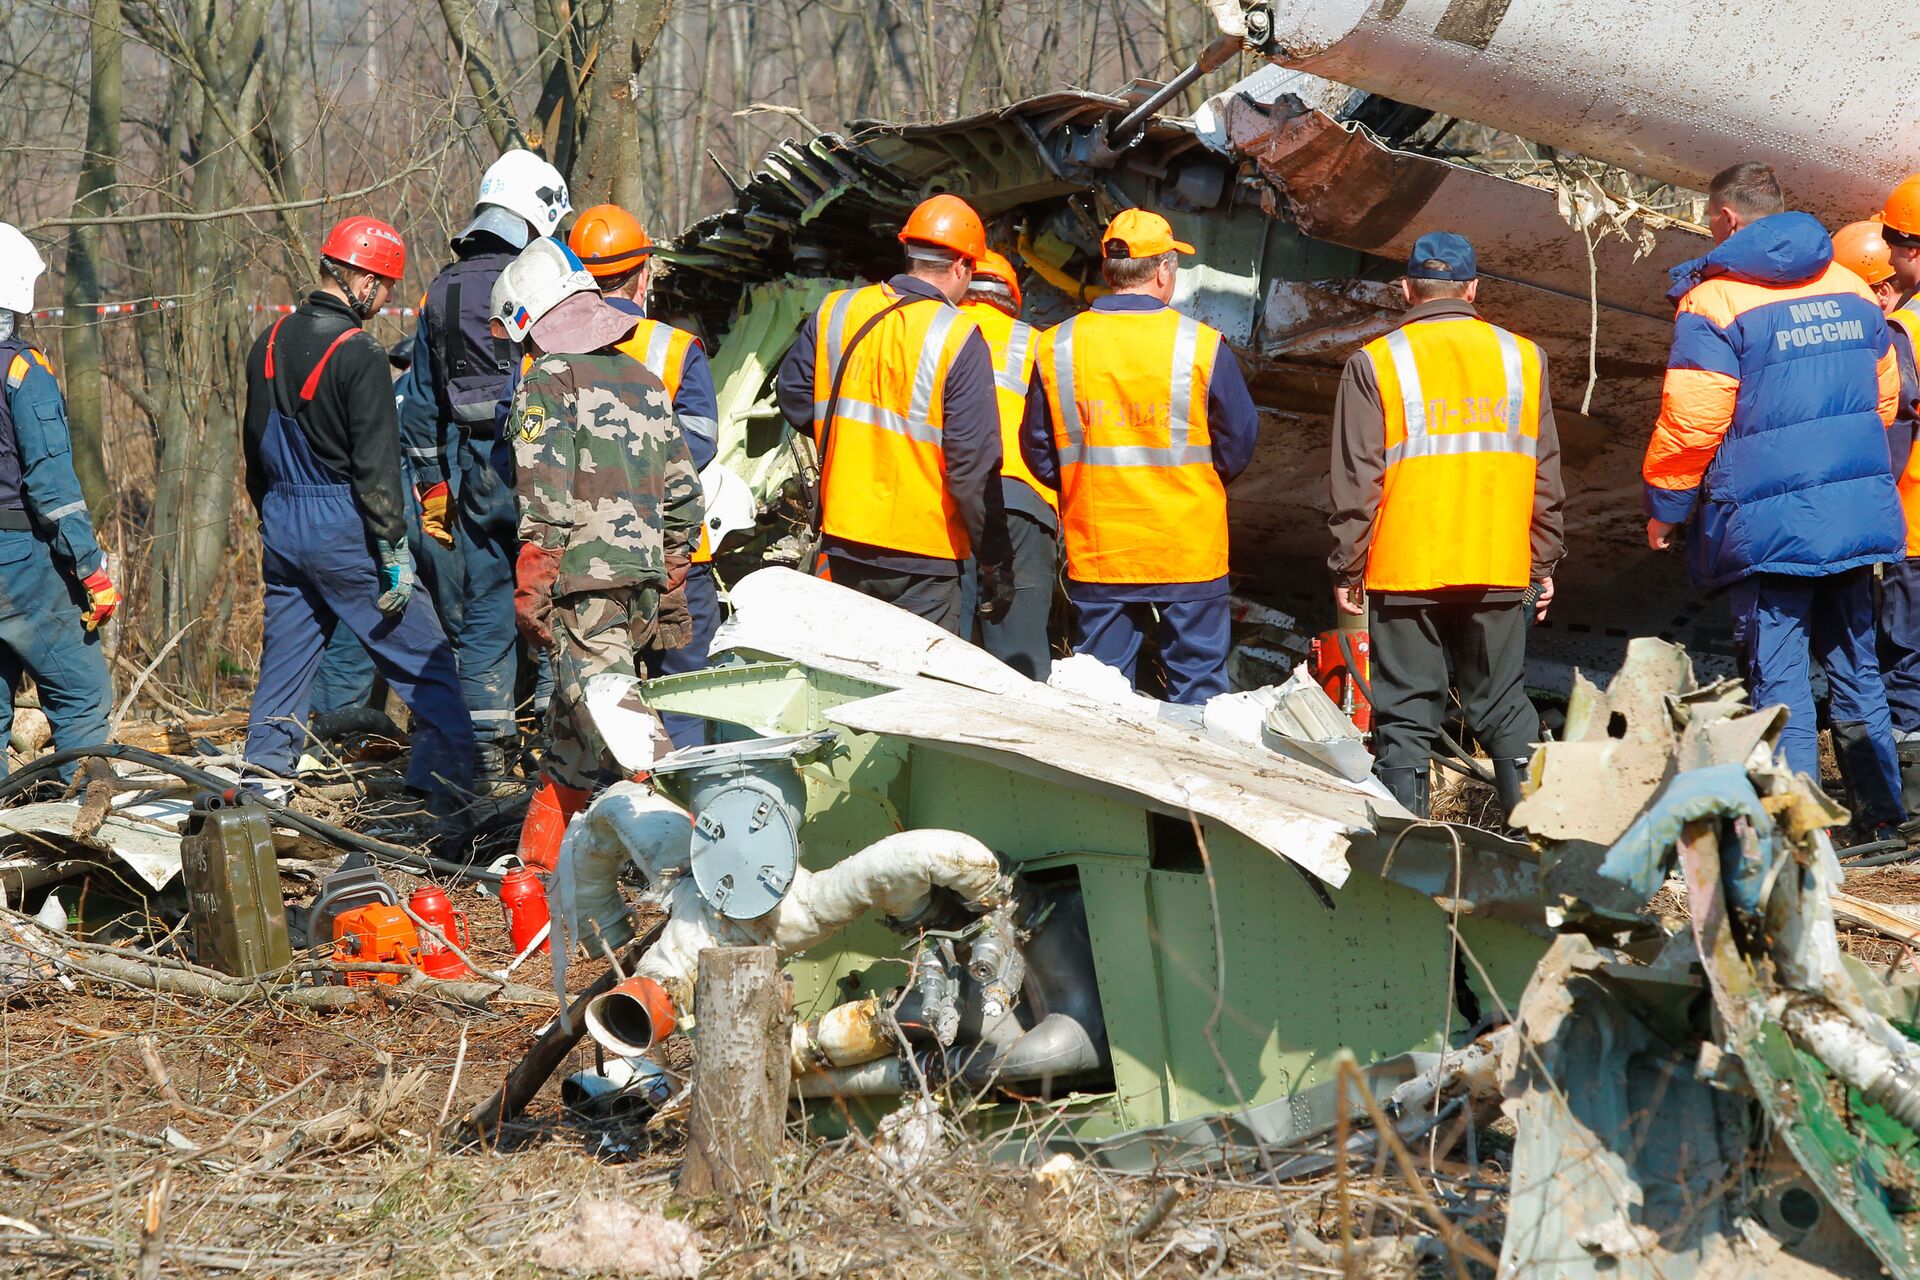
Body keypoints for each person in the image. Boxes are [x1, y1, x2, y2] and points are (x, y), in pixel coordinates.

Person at [1645, 162, 1907, 836]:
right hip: (1851, 517)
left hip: (1767, 527)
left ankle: (1801, 831)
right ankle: (1882, 820)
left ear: (1727, 219)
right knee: (1857, 669)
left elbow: (1693, 418)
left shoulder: (1714, 303)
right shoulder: (1852, 287)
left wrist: (1667, 507)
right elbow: (1882, 401)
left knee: (1779, 679)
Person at [1326, 232, 1563, 819]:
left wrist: (1347, 564)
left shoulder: (1375, 362)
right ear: (1473, 288)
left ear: (1407, 289)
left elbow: (1359, 480)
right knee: (1505, 707)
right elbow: (1546, 473)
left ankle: (1408, 861)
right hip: (1498, 563)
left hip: (1406, 566)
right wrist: (1544, 561)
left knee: (1406, 714)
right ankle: (1543, 853)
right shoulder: (1524, 358)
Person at [240, 217, 475, 809]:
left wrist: (273, 518)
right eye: (387, 285)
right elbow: (375, 464)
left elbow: (252, 448)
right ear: (362, 280)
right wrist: (393, 550)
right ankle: (450, 794)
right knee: (426, 659)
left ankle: (260, 792)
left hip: (282, 520)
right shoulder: (361, 352)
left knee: (287, 665)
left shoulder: (267, 341)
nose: (388, 298)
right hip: (345, 525)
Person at [493, 240, 701, 871]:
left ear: (533, 322)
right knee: (571, 744)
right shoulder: (644, 381)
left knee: (632, 746)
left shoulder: (547, 382)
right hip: (638, 589)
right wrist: (667, 584)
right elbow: (686, 500)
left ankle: (702, 871)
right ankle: (539, 879)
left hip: (580, 592)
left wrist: (532, 589)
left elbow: (543, 500)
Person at [1021, 209, 1259, 704]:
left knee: (1101, 697)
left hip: (1101, 547)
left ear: (1110, 273)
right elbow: (1238, 441)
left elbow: (1038, 452)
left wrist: (1084, 486)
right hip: (1187, 547)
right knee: (1199, 697)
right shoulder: (1201, 345)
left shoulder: (1057, 345)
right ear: (1164, 271)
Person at [391, 150, 571, 777]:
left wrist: (432, 486)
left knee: (486, 607)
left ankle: (488, 761)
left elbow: (418, 406)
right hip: (544, 461)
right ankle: (557, 751)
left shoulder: (441, 289)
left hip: (471, 472)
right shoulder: (548, 278)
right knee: (555, 593)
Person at [774, 195, 1013, 633]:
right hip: (925, 554)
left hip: (844, 538)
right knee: (917, 686)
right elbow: (972, 465)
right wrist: (995, 556)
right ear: (961, 266)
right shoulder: (958, 335)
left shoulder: (837, 310)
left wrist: (850, 445)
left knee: (848, 675)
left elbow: (792, 394)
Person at [568, 204, 722, 748]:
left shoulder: (547, 347)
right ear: (644, 274)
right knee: (683, 693)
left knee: (598, 697)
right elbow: (700, 441)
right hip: (676, 556)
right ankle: (680, 818)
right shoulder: (675, 348)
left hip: (586, 557)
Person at [0, 223, 118, 777]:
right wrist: (90, 567)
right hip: (19, 558)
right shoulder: (24, 370)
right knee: (82, 694)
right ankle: (82, 841)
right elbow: (52, 488)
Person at [1834, 220, 1920, 778]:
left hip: (1913, 523)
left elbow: (1892, 430)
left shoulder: (1903, 329)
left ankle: (1908, 794)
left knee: (1905, 658)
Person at [960, 249, 1058, 679]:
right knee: (1020, 658)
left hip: (945, 501)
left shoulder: (933, 334)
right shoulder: (1040, 344)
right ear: (1012, 299)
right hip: (1022, 501)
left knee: (938, 643)